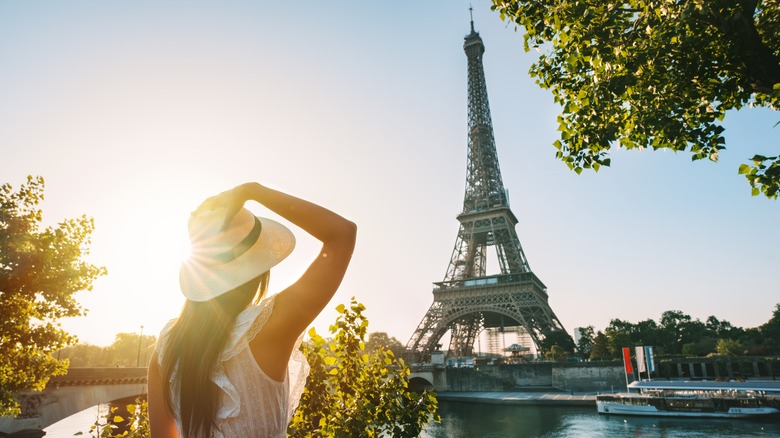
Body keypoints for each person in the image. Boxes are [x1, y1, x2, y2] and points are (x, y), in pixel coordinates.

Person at [147, 182, 357, 438]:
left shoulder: (167, 346)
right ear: (259, 270)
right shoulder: (269, 326)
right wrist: (253, 191)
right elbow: (342, 235)